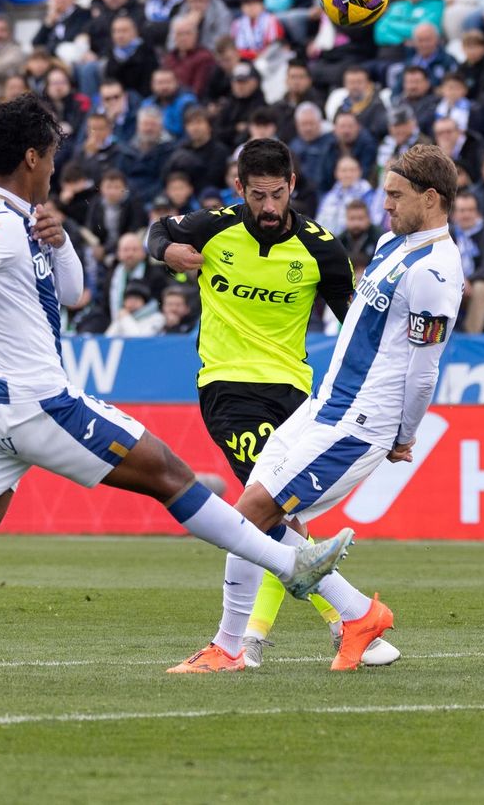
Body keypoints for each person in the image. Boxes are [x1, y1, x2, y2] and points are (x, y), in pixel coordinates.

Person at [0, 95, 355, 686]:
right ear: (32, 157)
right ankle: (292, 565)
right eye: (53, 156)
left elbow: (77, 293)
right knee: (171, 475)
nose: (56, 168)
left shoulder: (14, 214)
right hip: (39, 405)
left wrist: (60, 245)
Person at [165, 143, 462, 674]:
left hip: (360, 421)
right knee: (257, 508)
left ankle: (234, 646)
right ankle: (355, 618)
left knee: (255, 514)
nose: (384, 204)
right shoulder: (396, 244)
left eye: (395, 195)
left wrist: (404, 434)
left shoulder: (437, 273)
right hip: (323, 404)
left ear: (432, 198)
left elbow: (424, 368)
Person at [146, 137, 368, 665]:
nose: (269, 208)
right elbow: (159, 232)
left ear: (292, 185)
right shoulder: (213, 226)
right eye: (258, 195)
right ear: (239, 187)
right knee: (266, 510)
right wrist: (166, 251)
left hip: (295, 393)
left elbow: (359, 330)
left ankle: (346, 622)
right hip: (228, 386)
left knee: (268, 515)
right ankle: (341, 620)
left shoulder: (321, 249)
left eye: (277, 195)